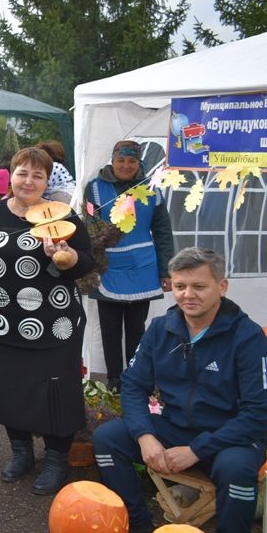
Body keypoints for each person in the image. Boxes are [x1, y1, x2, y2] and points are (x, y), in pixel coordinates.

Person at [93, 248, 267, 533]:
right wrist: (146, 435)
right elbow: (133, 384)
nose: (188, 295)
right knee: (107, 439)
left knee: (237, 469)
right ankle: (141, 531)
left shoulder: (248, 338)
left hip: (230, 435)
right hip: (174, 425)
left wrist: (195, 449)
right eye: (180, 286)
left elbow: (259, 414)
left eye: (198, 286)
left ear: (222, 286)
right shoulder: (161, 328)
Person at [0, 147, 95, 495]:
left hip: (53, 324)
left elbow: (85, 262)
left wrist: (64, 256)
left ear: (47, 181)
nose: (28, 181)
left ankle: (57, 458)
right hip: (2, 322)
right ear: (11, 175)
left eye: (37, 175)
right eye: (22, 173)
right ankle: (21, 452)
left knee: (56, 392)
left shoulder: (62, 216)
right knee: (9, 389)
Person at [86, 140, 175, 392]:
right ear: (112, 161)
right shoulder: (94, 189)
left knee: (136, 327)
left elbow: (162, 231)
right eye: (120, 160)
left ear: (139, 163)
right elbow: (88, 226)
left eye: (131, 161)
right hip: (108, 268)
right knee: (110, 328)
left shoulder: (152, 188)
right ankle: (114, 379)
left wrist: (165, 270)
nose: (125, 165)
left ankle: (135, 378)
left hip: (142, 267)